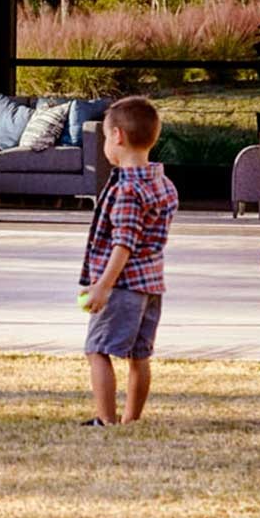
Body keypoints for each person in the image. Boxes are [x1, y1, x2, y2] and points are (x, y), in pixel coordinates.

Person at [78, 96, 177, 427]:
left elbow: (124, 243)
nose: (106, 145)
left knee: (97, 349)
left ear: (117, 136)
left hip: (122, 285)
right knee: (139, 355)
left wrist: (102, 286)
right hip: (151, 285)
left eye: (106, 137)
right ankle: (131, 420)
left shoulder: (128, 190)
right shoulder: (163, 184)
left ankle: (105, 420)